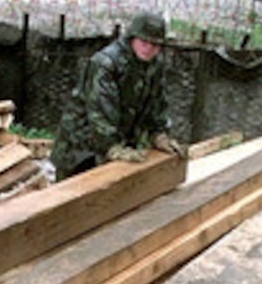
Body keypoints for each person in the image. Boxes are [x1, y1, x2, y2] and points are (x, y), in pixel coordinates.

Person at [50, 11, 186, 181]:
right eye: (144, 42)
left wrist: (158, 134)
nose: (149, 49)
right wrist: (112, 147)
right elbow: (99, 111)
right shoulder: (106, 63)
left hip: (118, 147)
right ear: (132, 38)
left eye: (155, 44)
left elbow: (156, 102)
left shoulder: (154, 65)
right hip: (80, 150)